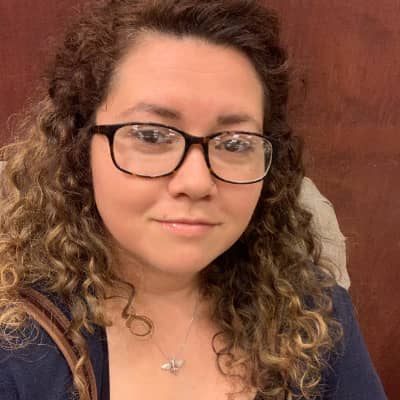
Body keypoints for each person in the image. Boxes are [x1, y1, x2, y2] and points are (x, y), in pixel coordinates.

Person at [0, 0, 386, 399]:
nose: (197, 182)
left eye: (234, 143)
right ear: (80, 147)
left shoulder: (314, 315)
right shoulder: (15, 346)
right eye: (151, 135)